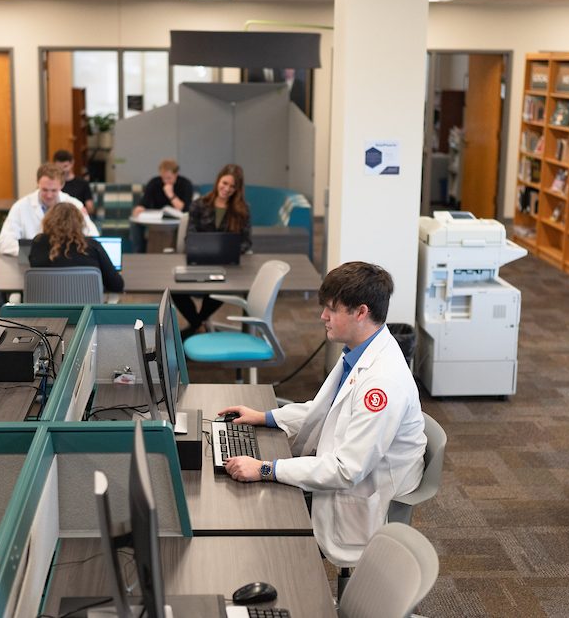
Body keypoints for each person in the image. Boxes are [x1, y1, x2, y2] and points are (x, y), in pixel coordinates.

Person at [217, 262, 426, 569]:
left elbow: (346, 470)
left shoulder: (383, 383)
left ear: (361, 312)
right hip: (345, 468)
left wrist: (265, 469)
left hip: (360, 491)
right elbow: (325, 410)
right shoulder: (360, 352)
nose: (322, 317)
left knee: (254, 518)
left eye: (332, 309)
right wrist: (266, 417)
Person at [172, 163, 252, 336]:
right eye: (224, 183)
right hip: (199, 261)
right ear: (218, 181)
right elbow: (189, 238)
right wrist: (204, 250)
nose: (227, 189)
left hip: (227, 266)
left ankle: (195, 326)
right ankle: (199, 325)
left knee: (221, 288)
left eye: (232, 186)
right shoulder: (199, 205)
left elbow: (247, 242)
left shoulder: (242, 210)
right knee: (174, 289)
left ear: (237, 189)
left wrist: (229, 251)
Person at [0, 162, 98, 256]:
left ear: (62, 185)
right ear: (38, 183)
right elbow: (4, 243)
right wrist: (37, 252)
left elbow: (93, 237)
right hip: (31, 265)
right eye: (45, 190)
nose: (49, 195)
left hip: (66, 264)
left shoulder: (74, 205)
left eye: (54, 190)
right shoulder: (21, 207)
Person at [28, 202, 123, 293]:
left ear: (48, 221)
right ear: (79, 223)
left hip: (46, 308)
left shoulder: (38, 243)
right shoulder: (92, 246)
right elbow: (117, 285)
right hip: (85, 308)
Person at [131, 159, 194, 253]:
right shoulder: (154, 182)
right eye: (163, 178)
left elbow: (184, 209)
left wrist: (170, 194)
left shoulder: (186, 184)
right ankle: (139, 253)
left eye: (169, 178)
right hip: (158, 219)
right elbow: (145, 202)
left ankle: (181, 253)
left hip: (178, 220)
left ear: (176, 174)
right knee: (135, 224)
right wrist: (139, 208)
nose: (165, 181)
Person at [52, 149, 95, 215]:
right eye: (59, 167)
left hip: (77, 216)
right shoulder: (52, 184)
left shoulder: (83, 183)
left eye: (65, 166)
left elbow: (90, 208)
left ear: (72, 163)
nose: (63, 170)